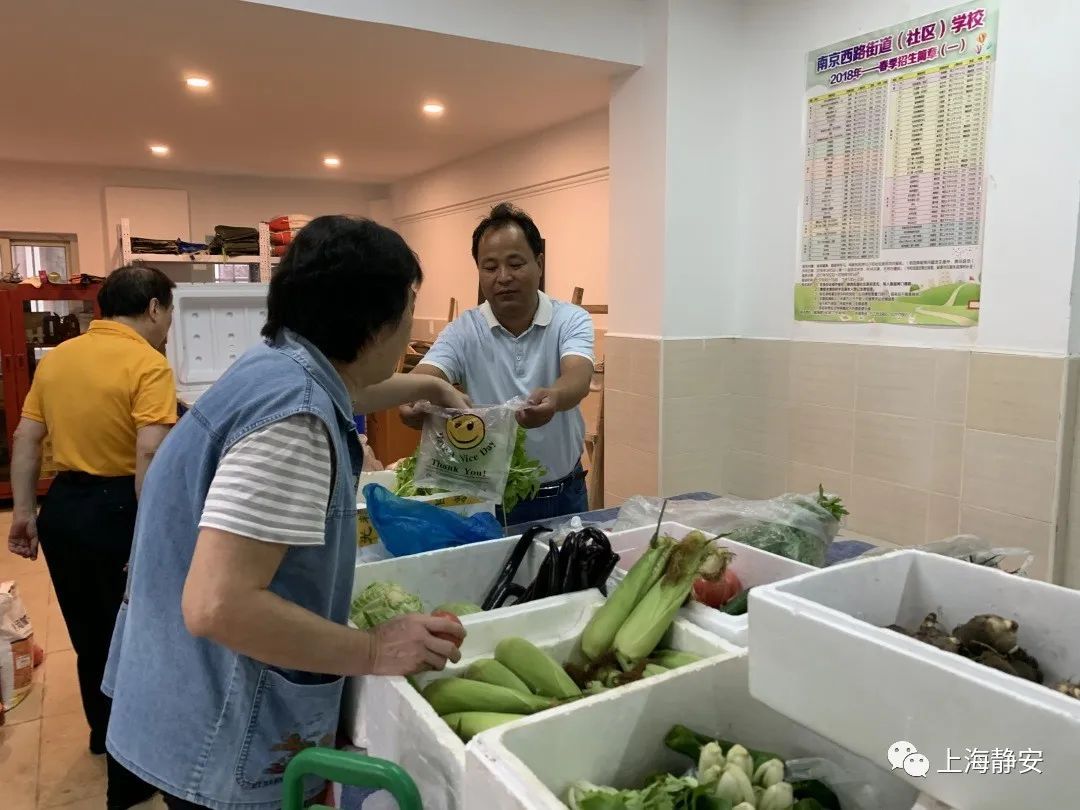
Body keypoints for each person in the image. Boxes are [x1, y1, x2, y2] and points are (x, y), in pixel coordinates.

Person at [102, 216, 467, 810]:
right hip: (220, 728)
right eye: (408, 311)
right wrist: (374, 650)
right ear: (372, 322)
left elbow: (349, 391)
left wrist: (432, 389)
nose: (408, 331)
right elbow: (217, 605)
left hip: (177, 695)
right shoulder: (296, 421)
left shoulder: (277, 364)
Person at [7, 264, 178, 809]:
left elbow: (27, 437)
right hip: (119, 510)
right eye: (170, 312)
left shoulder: (60, 358)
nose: (169, 325)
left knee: (90, 634)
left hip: (64, 509)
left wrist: (25, 513)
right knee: (133, 639)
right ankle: (130, 782)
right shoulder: (148, 363)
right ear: (153, 307)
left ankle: (102, 735)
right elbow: (149, 452)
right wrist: (148, 535)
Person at [402, 202, 595, 525]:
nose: (503, 277)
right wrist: (414, 396)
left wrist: (555, 397)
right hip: (489, 498)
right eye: (490, 267)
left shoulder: (570, 319)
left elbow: (578, 374)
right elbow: (429, 371)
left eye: (515, 264)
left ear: (539, 264)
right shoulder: (465, 329)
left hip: (563, 495)